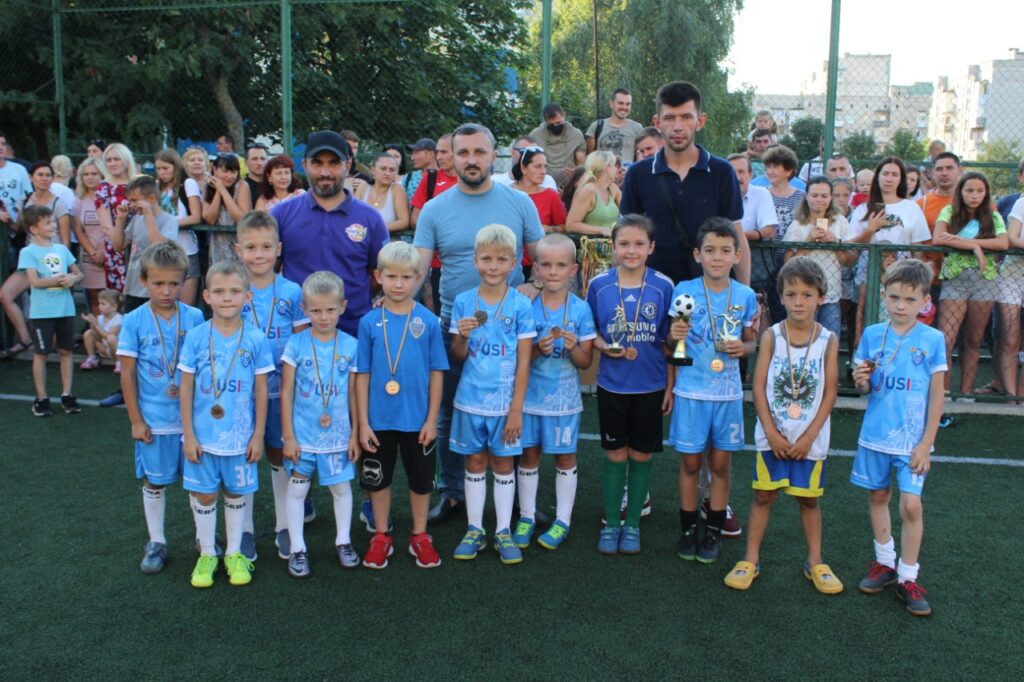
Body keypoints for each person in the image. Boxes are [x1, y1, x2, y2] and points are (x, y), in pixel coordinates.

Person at [412, 123, 544, 526]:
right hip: (456, 328)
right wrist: (395, 302)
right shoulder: (434, 209)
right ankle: (453, 493)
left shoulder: (520, 203)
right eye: (463, 152)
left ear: (494, 156)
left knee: (514, 411)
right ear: (450, 157)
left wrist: (536, 285)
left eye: (479, 152)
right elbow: (418, 269)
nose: (471, 160)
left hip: (509, 330)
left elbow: (543, 257)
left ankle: (519, 501)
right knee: (449, 413)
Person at [724, 257, 842, 594]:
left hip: (810, 440)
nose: (798, 302)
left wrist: (808, 437)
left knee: (808, 500)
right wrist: (772, 434)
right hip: (772, 437)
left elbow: (830, 393)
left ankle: (815, 561)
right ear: (781, 297)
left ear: (821, 298)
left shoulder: (828, 340)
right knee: (763, 496)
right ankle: (750, 558)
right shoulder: (772, 336)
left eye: (807, 295)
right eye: (791, 294)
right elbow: (759, 387)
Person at [851, 258, 945, 617]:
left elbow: (937, 394)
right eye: (894, 298)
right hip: (875, 435)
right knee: (878, 495)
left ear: (925, 301)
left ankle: (908, 577)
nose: (900, 306)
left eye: (909, 299)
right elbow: (865, 387)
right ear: (884, 296)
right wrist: (861, 381)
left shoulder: (933, 339)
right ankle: (885, 562)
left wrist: (926, 443)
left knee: (910, 506)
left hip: (913, 441)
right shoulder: (872, 334)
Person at [178, 260, 274, 589]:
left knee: (236, 492)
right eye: (219, 291)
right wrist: (188, 434)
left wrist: (258, 435)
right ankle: (207, 553)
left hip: (240, 438)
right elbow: (186, 388)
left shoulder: (256, 339)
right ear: (206, 296)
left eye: (235, 291)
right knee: (205, 495)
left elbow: (261, 390)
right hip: (203, 437)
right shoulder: (195, 337)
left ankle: (234, 552)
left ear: (248, 297)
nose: (227, 297)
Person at [668, 217, 758, 563]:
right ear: (697, 254)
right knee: (690, 462)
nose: (717, 257)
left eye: (724, 250)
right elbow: (672, 345)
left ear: (737, 255)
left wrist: (742, 349)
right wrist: (674, 336)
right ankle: (688, 528)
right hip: (691, 391)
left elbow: (752, 343)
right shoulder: (684, 290)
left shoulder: (745, 295)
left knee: (721, 463)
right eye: (710, 250)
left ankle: (714, 531)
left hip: (727, 393)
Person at [355, 241, 448, 569]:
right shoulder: (369, 322)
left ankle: (420, 535)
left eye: (406, 277)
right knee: (378, 479)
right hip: (378, 421)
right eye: (391, 276)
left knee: (421, 481)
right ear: (378, 276)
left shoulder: (429, 322)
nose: (398, 284)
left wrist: (431, 419)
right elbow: (362, 375)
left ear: (419, 278)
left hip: (417, 420)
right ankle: (381, 535)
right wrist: (363, 423)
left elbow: (437, 372)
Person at [447, 224, 536, 564]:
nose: (493, 266)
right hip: (470, 400)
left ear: (513, 263)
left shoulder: (521, 305)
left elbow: (524, 362)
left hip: (505, 404)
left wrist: (516, 410)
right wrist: (463, 336)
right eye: (486, 259)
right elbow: (457, 356)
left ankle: (502, 530)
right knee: (474, 461)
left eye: (501, 260)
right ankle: (474, 529)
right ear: (475, 260)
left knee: (502, 463)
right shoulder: (463, 302)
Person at [116, 242, 205, 574]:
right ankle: (156, 541)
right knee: (155, 482)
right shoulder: (133, 321)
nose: (166, 291)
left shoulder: (195, 317)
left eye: (173, 283)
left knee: (198, 483)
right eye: (158, 283)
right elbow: (127, 373)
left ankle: (204, 539)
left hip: (191, 422)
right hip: (154, 421)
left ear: (183, 281)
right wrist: (136, 420)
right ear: (143, 281)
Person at [587, 214, 673, 554]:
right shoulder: (599, 285)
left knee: (641, 454)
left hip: (650, 385)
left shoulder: (664, 286)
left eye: (639, 243)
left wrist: (670, 386)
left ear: (651, 247)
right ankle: (612, 523)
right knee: (614, 454)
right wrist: (603, 346)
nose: (631, 250)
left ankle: (633, 524)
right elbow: (589, 329)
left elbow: (672, 342)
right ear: (613, 246)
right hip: (612, 385)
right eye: (624, 243)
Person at [619, 80, 747, 285]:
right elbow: (624, 236)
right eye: (669, 118)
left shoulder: (722, 172)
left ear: (700, 121)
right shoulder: (638, 173)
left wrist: (745, 293)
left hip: (711, 291)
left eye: (686, 117)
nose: (678, 127)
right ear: (657, 123)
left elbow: (737, 234)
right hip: (655, 290)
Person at [514, 234, 595, 550]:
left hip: (564, 401)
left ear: (573, 269)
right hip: (529, 398)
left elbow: (585, 362)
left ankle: (563, 521)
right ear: (535, 269)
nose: (552, 271)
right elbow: (520, 357)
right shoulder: (525, 306)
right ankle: (527, 516)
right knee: (528, 456)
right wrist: (537, 348)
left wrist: (573, 348)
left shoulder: (581, 309)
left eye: (561, 265)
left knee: (565, 457)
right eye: (546, 265)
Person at [236, 210, 308, 563]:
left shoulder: (292, 291)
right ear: (238, 250)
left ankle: (284, 525)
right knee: (244, 455)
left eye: (266, 246)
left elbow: (301, 343)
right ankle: (244, 529)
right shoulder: (233, 289)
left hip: (282, 393)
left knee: (280, 455)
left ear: (278, 248)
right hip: (241, 395)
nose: (259, 254)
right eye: (250, 247)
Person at [280, 271, 361, 577]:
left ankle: (343, 542)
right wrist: (289, 436)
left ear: (342, 307)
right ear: (304, 310)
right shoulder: (296, 344)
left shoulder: (351, 345)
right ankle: (297, 548)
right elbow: (286, 392)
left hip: (338, 436)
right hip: (303, 436)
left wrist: (354, 434)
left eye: (330, 309)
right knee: (297, 490)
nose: (323, 317)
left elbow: (354, 393)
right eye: (315, 310)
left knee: (341, 488)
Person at [271, 130, 389, 338]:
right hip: (296, 337)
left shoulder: (370, 218)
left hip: (354, 334)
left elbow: (379, 275)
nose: (325, 172)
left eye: (334, 163)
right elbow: (268, 272)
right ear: (304, 165)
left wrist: (350, 301)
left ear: (348, 165)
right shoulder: (281, 214)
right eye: (317, 163)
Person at [934, 172, 1008, 396]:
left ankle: (965, 393)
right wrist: (976, 247)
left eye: (979, 191)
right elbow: (938, 237)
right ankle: (943, 391)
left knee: (973, 340)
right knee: (946, 339)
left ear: (986, 193)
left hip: (984, 281)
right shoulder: (949, 211)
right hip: (955, 280)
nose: (974, 195)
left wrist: (964, 242)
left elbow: (1003, 243)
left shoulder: (993, 216)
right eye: (969, 190)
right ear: (961, 192)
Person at [18, 204, 84, 416]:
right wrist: (59, 280)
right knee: (42, 353)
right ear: (33, 229)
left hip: (65, 309)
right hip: (42, 312)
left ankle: (67, 394)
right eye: (47, 223)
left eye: (53, 221)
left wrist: (73, 278)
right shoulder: (28, 252)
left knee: (66, 351)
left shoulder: (62, 249)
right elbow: (35, 282)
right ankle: (41, 397)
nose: (53, 225)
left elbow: (78, 273)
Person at [784, 176, 857, 335]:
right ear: (806, 196)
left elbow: (850, 260)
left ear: (830, 198)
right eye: (815, 195)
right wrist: (807, 242)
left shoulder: (840, 222)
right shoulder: (797, 225)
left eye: (824, 196)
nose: (819, 200)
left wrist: (835, 242)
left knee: (831, 339)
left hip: (831, 293)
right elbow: (787, 263)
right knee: (802, 338)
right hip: (803, 293)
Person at [110, 175, 178, 314]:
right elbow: (118, 246)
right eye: (130, 201)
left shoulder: (169, 220)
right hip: (133, 287)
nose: (131, 205)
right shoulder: (137, 219)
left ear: (151, 198)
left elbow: (157, 246)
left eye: (135, 200)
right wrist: (120, 220)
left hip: (155, 290)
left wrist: (148, 214)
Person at [154, 149, 202, 306]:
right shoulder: (157, 188)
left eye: (165, 168)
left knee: (186, 306)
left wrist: (170, 224)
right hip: (164, 252)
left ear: (176, 167)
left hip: (186, 250)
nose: (162, 172)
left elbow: (196, 216)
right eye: (158, 169)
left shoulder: (187, 184)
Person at [917, 152, 963, 304]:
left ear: (960, 170)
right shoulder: (921, 204)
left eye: (949, 168)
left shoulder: (975, 201)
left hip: (964, 278)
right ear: (932, 173)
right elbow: (914, 241)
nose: (944, 173)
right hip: (930, 279)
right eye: (939, 169)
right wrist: (923, 265)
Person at [96, 142, 138, 292]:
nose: (112, 163)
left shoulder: (138, 184)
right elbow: (106, 226)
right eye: (108, 160)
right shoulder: (104, 188)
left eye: (117, 159)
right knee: (118, 296)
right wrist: (121, 244)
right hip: (116, 247)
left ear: (126, 160)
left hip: (140, 245)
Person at [70, 158, 108, 317]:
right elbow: (78, 231)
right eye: (86, 174)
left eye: (94, 173)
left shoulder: (110, 197)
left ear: (102, 175)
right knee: (95, 299)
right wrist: (93, 252)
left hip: (112, 255)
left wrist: (105, 252)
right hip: (89, 257)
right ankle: (97, 330)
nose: (90, 177)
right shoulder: (78, 200)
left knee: (114, 299)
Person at [202, 152, 251, 265]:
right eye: (225, 171)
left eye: (233, 172)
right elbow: (210, 219)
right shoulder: (209, 186)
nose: (229, 176)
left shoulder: (242, 186)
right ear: (215, 170)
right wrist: (218, 192)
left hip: (239, 244)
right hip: (217, 245)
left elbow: (242, 219)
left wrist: (223, 190)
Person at [565, 151, 621, 239]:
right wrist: (602, 230)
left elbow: (628, 211)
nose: (616, 169)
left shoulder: (613, 188)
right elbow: (571, 225)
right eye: (614, 166)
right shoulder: (588, 190)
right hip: (591, 244)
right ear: (607, 167)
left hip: (610, 243)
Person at [529, 103, 587, 186]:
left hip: (568, 182)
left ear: (564, 115)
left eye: (558, 123)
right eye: (551, 125)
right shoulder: (536, 135)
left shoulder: (576, 135)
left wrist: (575, 172)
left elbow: (581, 161)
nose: (556, 126)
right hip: (543, 182)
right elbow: (529, 160)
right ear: (546, 121)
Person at [357, 152, 410, 237]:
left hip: (386, 240)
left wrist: (376, 228)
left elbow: (404, 222)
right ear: (373, 170)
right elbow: (353, 215)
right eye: (383, 169)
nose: (387, 173)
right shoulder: (363, 188)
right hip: (360, 239)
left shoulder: (397, 189)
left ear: (396, 172)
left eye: (392, 170)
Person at [585, 88, 644, 163]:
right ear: (611, 104)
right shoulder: (596, 126)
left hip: (628, 170)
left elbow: (642, 155)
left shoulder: (637, 129)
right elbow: (589, 158)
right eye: (620, 103)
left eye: (628, 104)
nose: (624, 107)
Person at [27, 162, 71, 247]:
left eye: (48, 175)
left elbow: (65, 240)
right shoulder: (24, 200)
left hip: (53, 252)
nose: (44, 179)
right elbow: (18, 228)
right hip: (31, 251)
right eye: (40, 175)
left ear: (52, 178)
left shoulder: (59, 204)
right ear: (30, 177)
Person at [492, 136, 557, 190]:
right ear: (513, 153)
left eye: (534, 153)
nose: (527, 156)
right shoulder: (496, 181)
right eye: (523, 151)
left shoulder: (547, 181)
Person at [80, 289, 123, 371]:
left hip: (116, 351)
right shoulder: (100, 318)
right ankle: (92, 358)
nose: (99, 306)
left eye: (103, 304)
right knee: (88, 333)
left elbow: (108, 337)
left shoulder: (119, 319)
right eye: (99, 303)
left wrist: (96, 324)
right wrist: (92, 324)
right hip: (103, 349)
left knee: (111, 338)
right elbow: (97, 337)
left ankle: (120, 363)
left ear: (114, 307)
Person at [402, 138, 437, 203]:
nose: (412, 158)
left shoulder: (445, 177)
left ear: (431, 154)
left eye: (416, 153)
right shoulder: (408, 177)